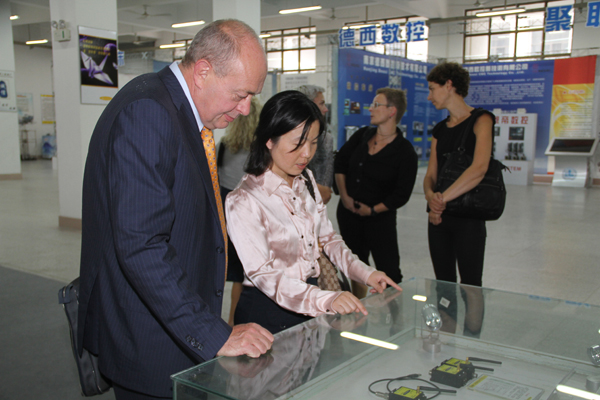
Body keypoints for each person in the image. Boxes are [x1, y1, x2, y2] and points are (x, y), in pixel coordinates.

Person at [78, 20, 274, 400]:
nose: (245, 108)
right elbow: (141, 246)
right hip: (151, 343)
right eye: (240, 94)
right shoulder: (149, 112)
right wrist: (214, 334)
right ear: (202, 71)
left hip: (173, 329)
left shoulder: (175, 109)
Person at [225, 90, 402, 335]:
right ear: (269, 140)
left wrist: (365, 273)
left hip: (311, 299)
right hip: (268, 312)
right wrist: (325, 299)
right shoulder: (244, 200)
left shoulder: (305, 179)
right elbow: (263, 274)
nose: (307, 153)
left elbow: (328, 239)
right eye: (298, 143)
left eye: (314, 142)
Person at [334, 88, 418, 299]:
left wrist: (372, 210)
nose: (370, 109)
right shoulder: (362, 135)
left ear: (392, 111)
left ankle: (395, 314)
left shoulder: (405, 151)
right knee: (354, 265)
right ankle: (358, 308)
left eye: (376, 105)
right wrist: (345, 197)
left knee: (389, 270)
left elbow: (401, 194)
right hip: (348, 215)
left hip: (380, 221)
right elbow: (340, 163)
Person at [423, 62, 495, 287]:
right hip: (439, 218)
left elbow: (479, 168)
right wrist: (430, 197)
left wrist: (439, 201)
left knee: (471, 284)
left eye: (432, 89)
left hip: (468, 217)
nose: (429, 96)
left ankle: (471, 315)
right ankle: (446, 314)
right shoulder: (440, 129)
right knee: (443, 283)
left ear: (449, 85)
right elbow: (431, 175)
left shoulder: (482, 120)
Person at [217, 96, 262, 326]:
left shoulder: (223, 146)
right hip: (250, 215)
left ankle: (221, 322)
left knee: (224, 270)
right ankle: (236, 321)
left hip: (224, 213)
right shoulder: (262, 151)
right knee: (244, 274)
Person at [296, 84, 334, 204]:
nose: (326, 109)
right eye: (321, 103)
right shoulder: (284, 136)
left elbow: (325, 192)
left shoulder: (326, 139)